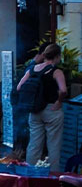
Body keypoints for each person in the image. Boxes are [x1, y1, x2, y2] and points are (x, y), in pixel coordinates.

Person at [17, 43, 68, 171]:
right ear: (57, 56)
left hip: (34, 110)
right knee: (54, 145)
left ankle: (30, 173)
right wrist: (59, 102)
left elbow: (19, 87)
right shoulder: (56, 71)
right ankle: (53, 177)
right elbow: (63, 90)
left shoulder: (32, 69)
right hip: (52, 109)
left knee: (34, 144)